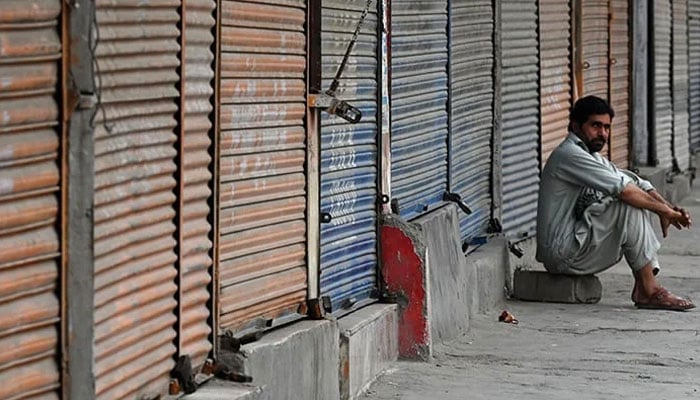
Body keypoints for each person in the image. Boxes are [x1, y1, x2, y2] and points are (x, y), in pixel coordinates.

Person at [536, 95, 695, 310]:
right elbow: (626, 192)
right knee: (629, 204)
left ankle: (645, 286)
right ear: (575, 125)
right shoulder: (570, 155)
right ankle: (648, 290)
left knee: (636, 198)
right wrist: (664, 211)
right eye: (596, 126)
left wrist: (665, 209)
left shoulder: (591, 156)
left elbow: (635, 181)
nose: (603, 134)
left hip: (575, 243)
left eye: (607, 127)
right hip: (562, 253)